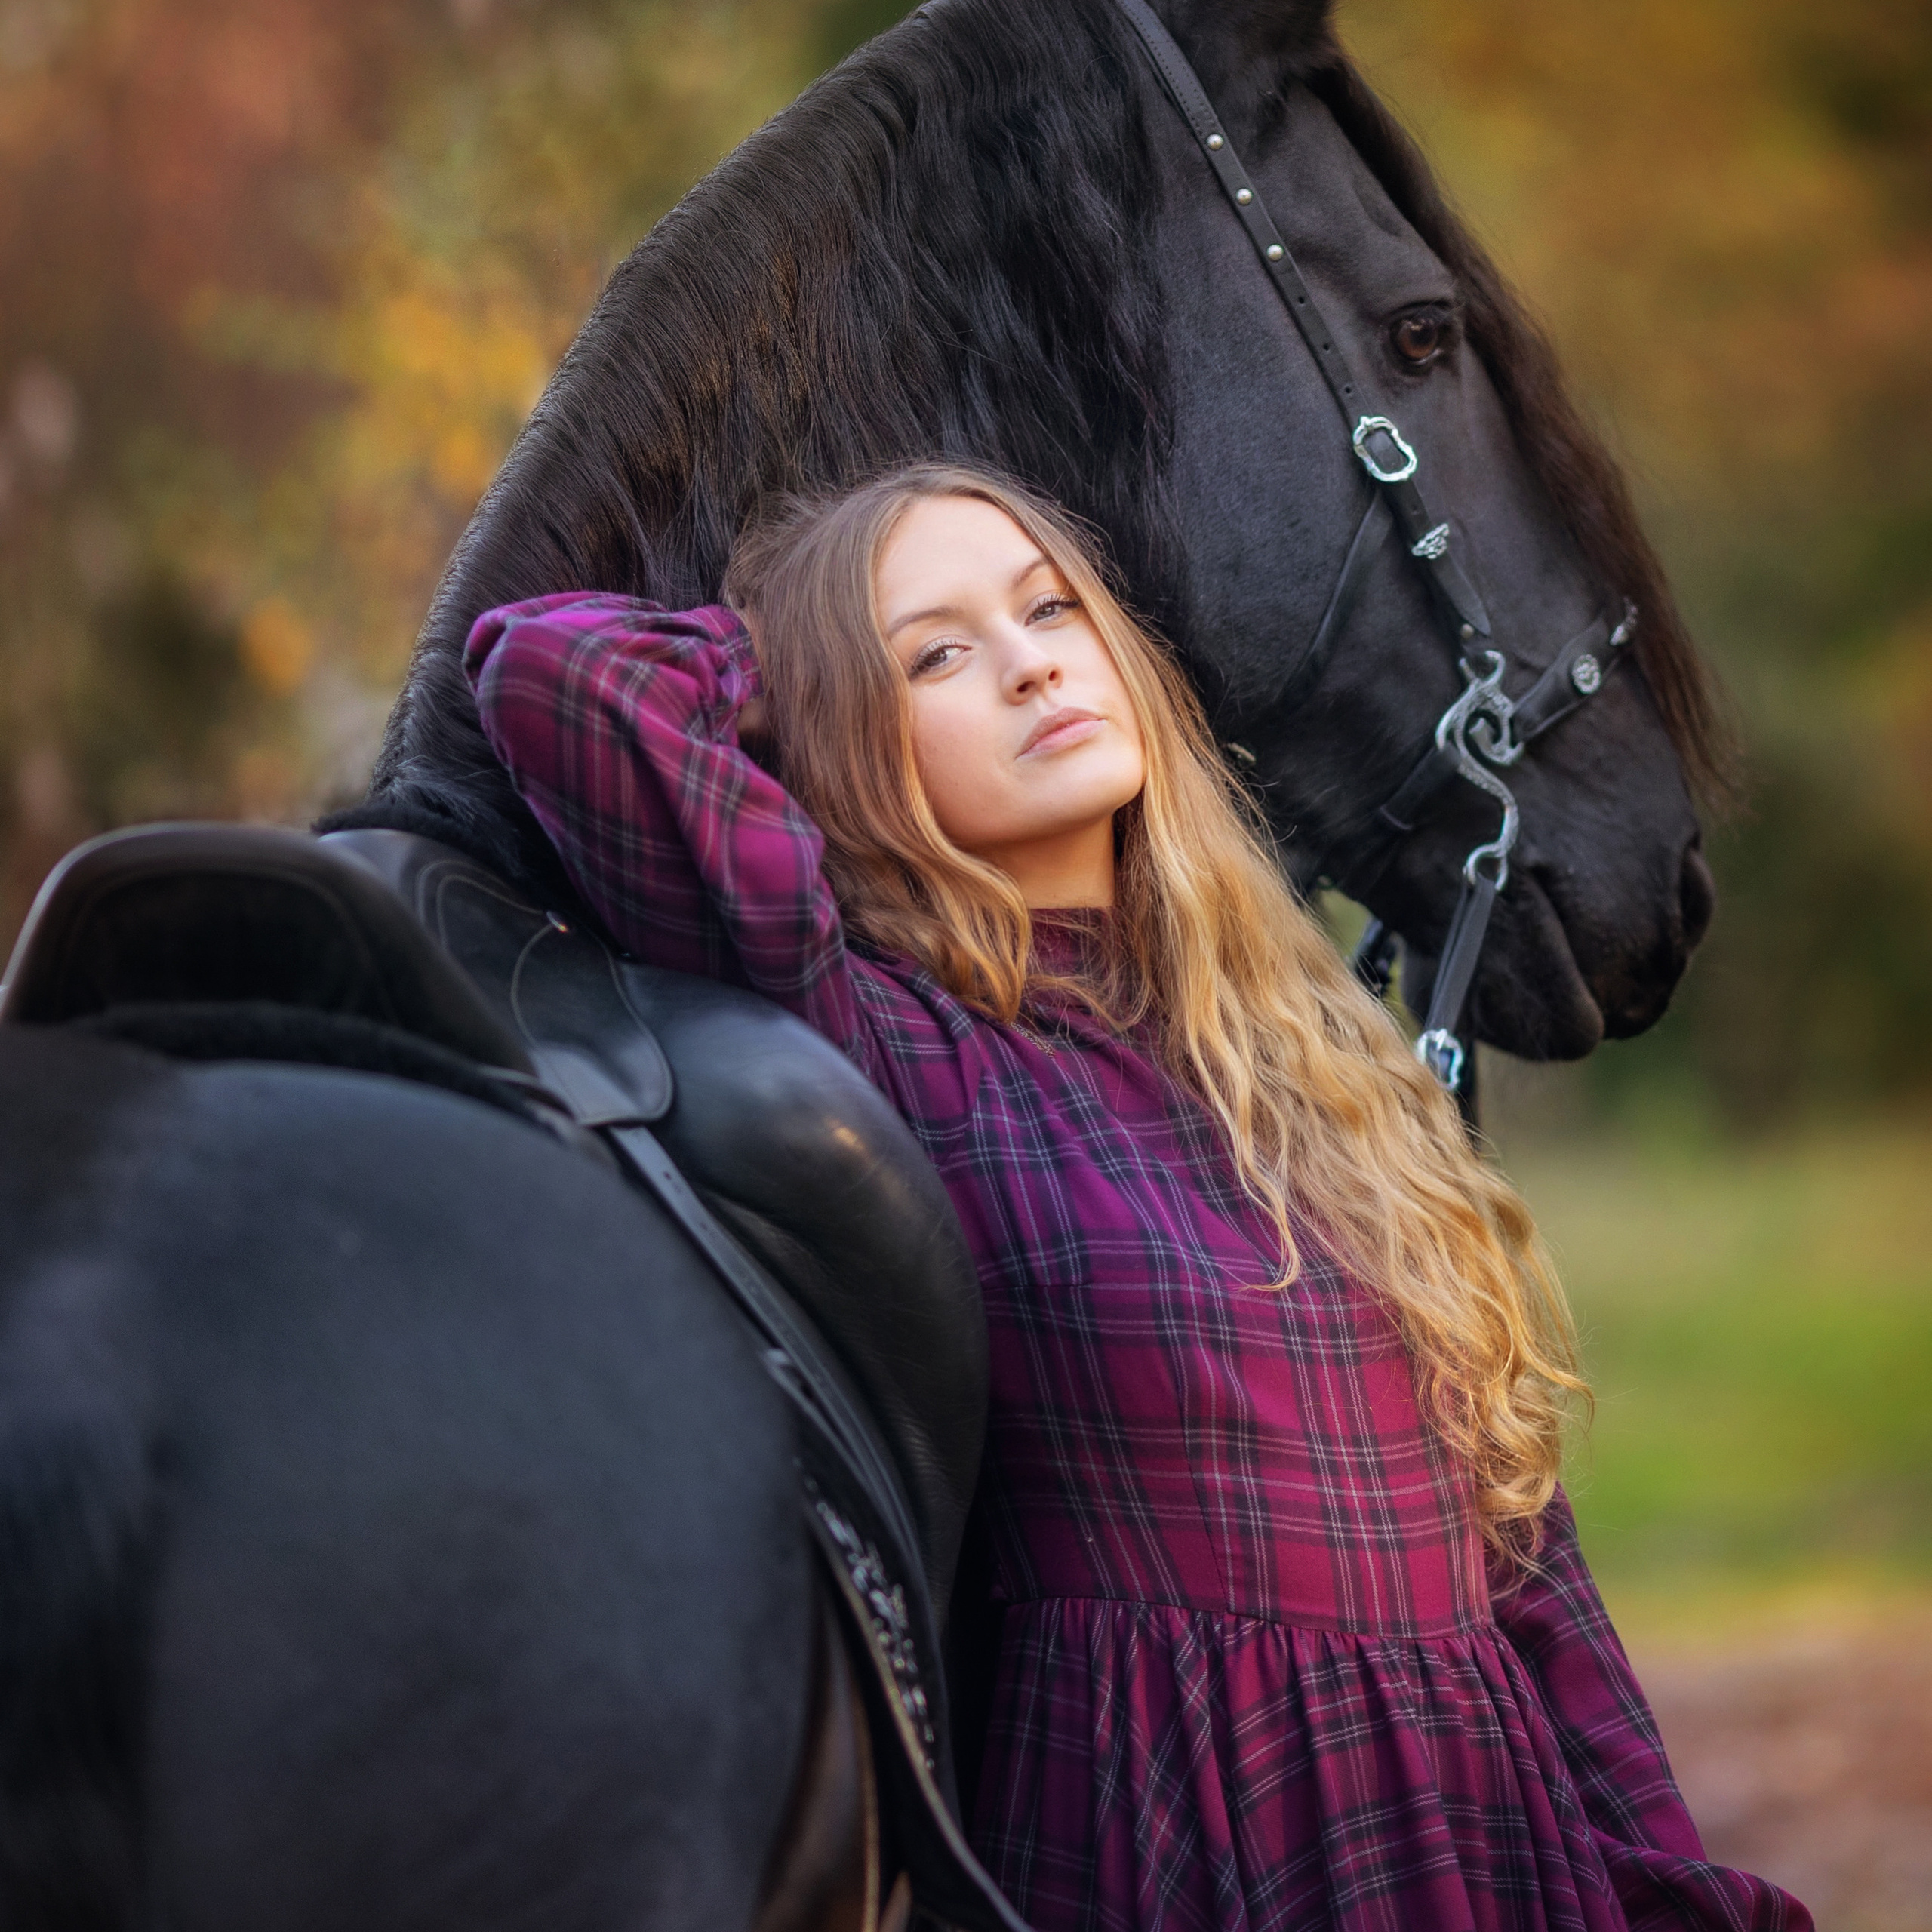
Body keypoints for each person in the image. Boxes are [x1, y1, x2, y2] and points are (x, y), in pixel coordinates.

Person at [463, 463, 1806, 1932]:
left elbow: (1526, 1574)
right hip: (1169, 1821)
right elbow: (549, 674)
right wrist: (773, 643)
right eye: (934, 652)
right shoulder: (891, 1029)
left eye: (1051, 608)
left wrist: (1674, 1884)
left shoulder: (1318, 1068)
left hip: (1479, 1830)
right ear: (841, 723)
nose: (1030, 659)